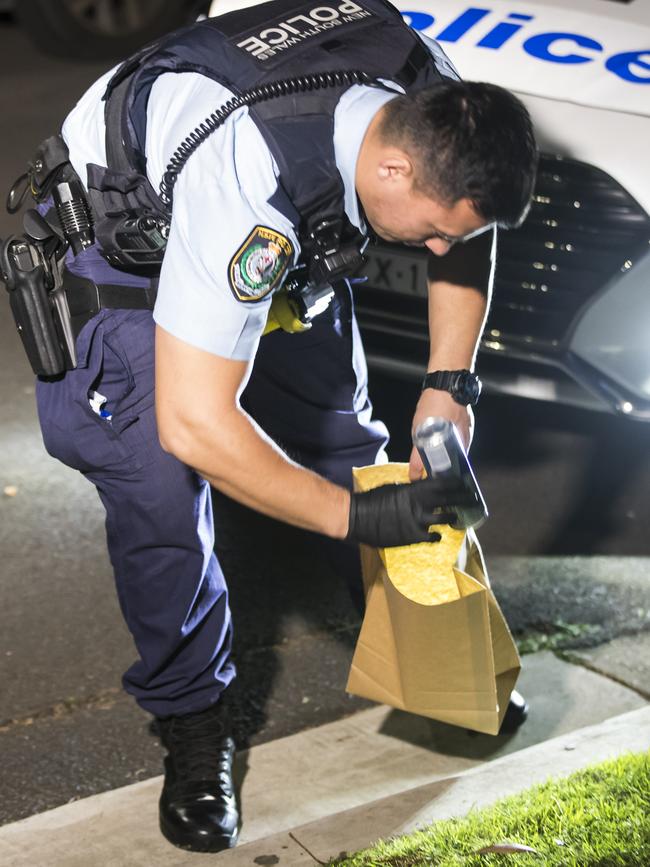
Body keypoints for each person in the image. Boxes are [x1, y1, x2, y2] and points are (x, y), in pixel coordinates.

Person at [12, 0, 537, 853]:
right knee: (160, 497)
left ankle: (439, 665)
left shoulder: (431, 94)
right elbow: (195, 423)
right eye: (433, 235)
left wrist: (450, 383)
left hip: (293, 221)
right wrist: (351, 515)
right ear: (396, 170)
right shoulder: (246, 181)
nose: (440, 252)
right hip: (126, 257)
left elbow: (467, 231)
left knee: (346, 440)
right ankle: (195, 722)